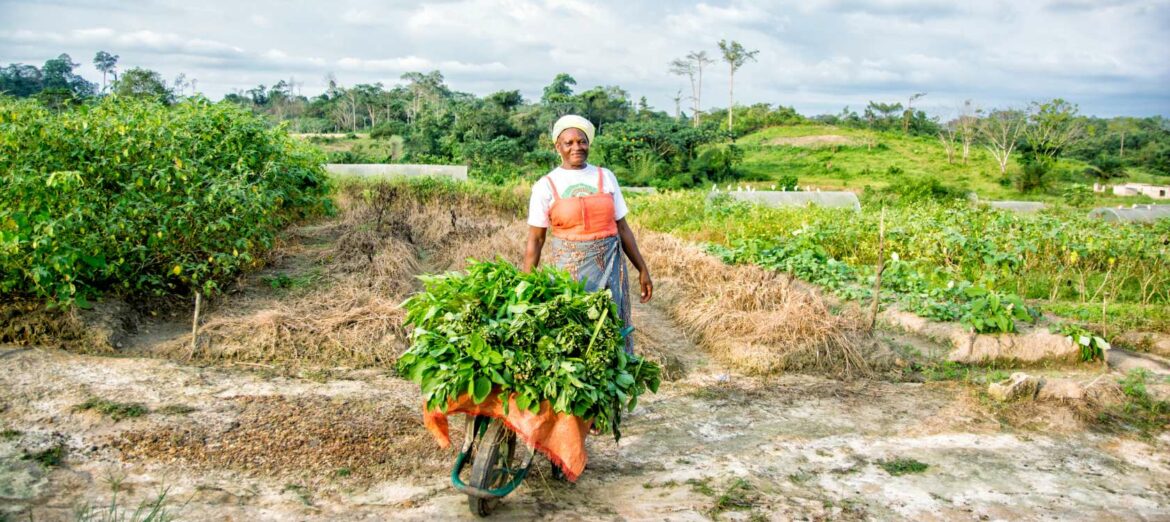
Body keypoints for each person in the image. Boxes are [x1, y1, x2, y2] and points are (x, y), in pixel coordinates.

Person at [523, 114, 652, 355]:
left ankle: (614, 390)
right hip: (569, 277)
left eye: (581, 141)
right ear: (557, 147)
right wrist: (525, 284)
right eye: (569, 142)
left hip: (611, 269)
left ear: (588, 143)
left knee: (612, 330)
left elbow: (622, 227)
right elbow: (536, 239)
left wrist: (642, 269)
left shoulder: (606, 177)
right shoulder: (546, 185)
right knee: (574, 334)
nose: (576, 147)